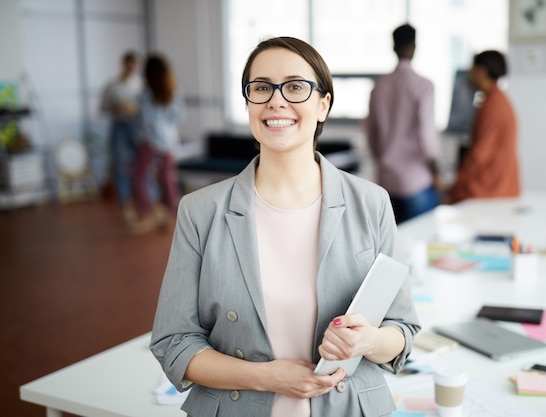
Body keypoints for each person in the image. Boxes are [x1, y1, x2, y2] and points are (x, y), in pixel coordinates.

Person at [149, 37, 420, 417]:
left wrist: (367, 340)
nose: (276, 100)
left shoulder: (371, 202)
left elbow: (402, 329)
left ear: (323, 104)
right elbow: (174, 343)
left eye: (295, 86)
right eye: (261, 88)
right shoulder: (200, 211)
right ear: (248, 103)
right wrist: (266, 377)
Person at [366, 23, 441, 224]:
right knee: (422, 245)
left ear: (393, 47)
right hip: (416, 182)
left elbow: (371, 135)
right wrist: (436, 171)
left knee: (392, 249)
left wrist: (383, 158)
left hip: (386, 181)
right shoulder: (424, 86)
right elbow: (427, 137)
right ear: (414, 47)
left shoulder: (379, 86)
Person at [447, 50, 520, 204]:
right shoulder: (498, 100)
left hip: (490, 190)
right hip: (502, 188)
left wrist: (456, 185)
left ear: (481, 71)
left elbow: (480, 154)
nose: (469, 73)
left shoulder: (492, 106)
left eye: (472, 68)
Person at [130, 53, 185, 234]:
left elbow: (144, 122)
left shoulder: (145, 95)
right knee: (167, 179)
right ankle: (173, 217)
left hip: (151, 142)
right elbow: (177, 117)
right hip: (169, 142)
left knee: (139, 175)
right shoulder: (172, 91)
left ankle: (147, 214)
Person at [100, 51, 142, 223]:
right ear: (123, 64)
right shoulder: (113, 85)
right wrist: (117, 108)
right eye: (128, 64)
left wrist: (134, 109)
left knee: (141, 164)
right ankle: (126, 203)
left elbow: (147, 107)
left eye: (134, 64)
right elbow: (103, 108)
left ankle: (144, 202)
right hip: (119, 126)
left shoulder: (140, 84)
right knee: (119, 164)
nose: (131, 67)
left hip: (137, 126)